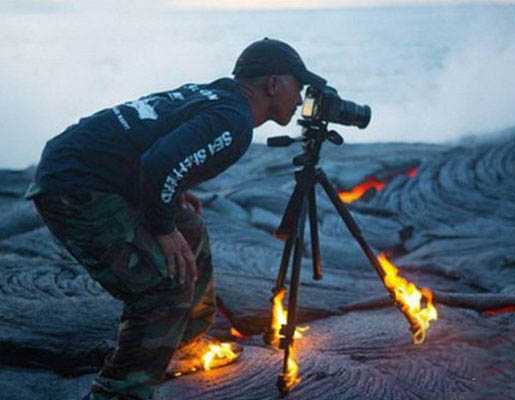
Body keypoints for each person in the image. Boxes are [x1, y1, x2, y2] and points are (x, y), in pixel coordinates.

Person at [26, 38, 326, 400]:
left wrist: (172, 191)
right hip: (75, 187)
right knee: (163, 289)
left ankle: (183, 343)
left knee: (190, 226)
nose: (300, 98)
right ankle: (119, 392)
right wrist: (162, 228)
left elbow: (154, 142)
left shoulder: (216, 96)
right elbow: (156, 164)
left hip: (84, 167)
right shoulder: (234, 121)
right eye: (298, 85)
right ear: (273, 84)